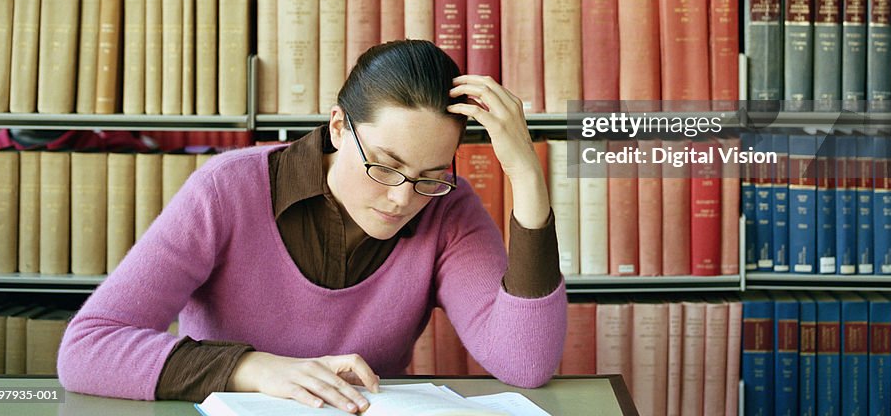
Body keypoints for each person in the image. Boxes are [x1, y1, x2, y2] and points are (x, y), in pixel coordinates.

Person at [57, 39, 567, 411]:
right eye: (385, 166)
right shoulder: (228, 190)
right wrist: (252, 368)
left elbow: (524, 362)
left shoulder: (447, 208)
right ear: (340, 126)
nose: (401, 197)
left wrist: (525, 172)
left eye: (430, 176)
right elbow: (88, 348)